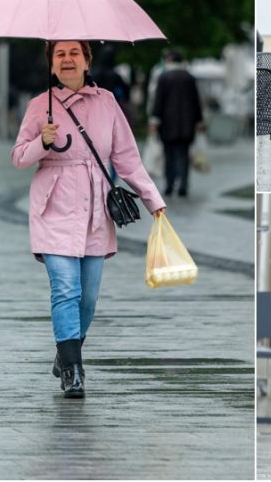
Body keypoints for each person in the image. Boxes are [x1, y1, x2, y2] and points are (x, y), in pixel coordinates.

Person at [11, 40, 166, 398]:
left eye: (74, 53)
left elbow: (127, 158)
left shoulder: (107, 102)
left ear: (86, 60)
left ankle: (67, 349)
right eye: (59, 54)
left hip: (96, 209)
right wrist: (42, 143)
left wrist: (152, 200)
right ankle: (72, 370)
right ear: (51, 65)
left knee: (88, 298)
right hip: (54, 208)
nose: (67, 60)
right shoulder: (39, 106)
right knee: (65, 289)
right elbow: (19, 157)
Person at [151, 50, 204, 197]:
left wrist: (154, 120)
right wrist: (200, 121)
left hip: (168, 124)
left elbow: (158, 101)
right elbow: (196, 102)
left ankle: (169, 184)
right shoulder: (189, 78)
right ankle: (183, 185)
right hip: (187, 124)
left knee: (169, 155)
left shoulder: (164, 77)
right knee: (184, 155)